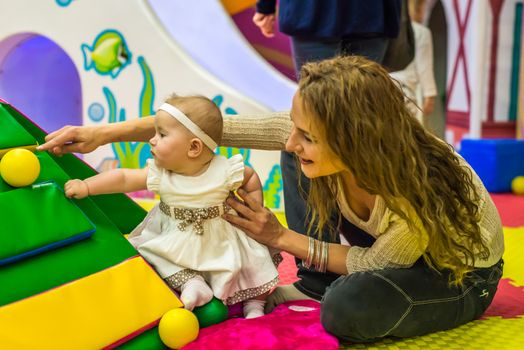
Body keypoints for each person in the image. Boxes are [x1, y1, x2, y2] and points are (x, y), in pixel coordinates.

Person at [39, 56, 504, 342]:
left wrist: (281, 236)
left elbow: (372, 264)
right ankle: (314, 280)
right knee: (296, 159)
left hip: (456, 274)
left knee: (348, 308)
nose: (293, 139)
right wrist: (101, 133)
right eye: (295, 126)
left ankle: (322, 285)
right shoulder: (324, 141)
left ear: (355, 140)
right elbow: (206, 127)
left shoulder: (413, 191)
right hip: (375, 250)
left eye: (308, 135)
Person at [63, 94, 280, 319]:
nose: (152, 140)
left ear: (194, 148)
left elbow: (250, 177)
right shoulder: (161, 173)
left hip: (221, 237)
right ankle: (193, 283)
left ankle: (255, 304)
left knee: (252, 262)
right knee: (151, 251)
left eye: (162, 134)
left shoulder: (224, 170)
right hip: (176, 234)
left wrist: (255, 207)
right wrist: (86, 186)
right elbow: (124, 178)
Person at [253, 0, 405, 302]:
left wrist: (266, 6)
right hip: (369, 12)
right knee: (346, 135)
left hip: (319, 11)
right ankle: (331, 273)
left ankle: (322, 277)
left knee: (327, 135)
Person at [390, 0, 437, 124]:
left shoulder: (390, 30)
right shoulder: (422, 32)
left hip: (383, 88)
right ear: (419, 8)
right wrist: (430, 95)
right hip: (407, 93)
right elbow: (424, 67)